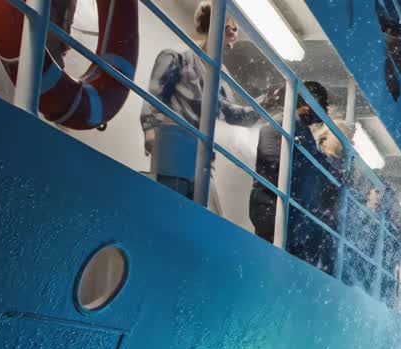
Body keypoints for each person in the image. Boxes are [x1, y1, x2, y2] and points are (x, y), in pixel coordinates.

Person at [140, 1, 260, 213]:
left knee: (210, 216)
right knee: (172, 212)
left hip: (202, 156)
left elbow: (229, 111)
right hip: (174, 146)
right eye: (231, 29)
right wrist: (150, 130)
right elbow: (155, 95)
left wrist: (264, 107)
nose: (234, 37)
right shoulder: (178, 55)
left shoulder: (219, 74)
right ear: (214, 24)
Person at [249, 81, 344, 274]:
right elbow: (275, 166)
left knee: (281, 271)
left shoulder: (300, 131)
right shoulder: (280, 126)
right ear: (309, 104)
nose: (323, 111)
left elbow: (317, 168)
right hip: (276, 211)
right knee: (272, 270)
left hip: (291, 217)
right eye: (322, 105)